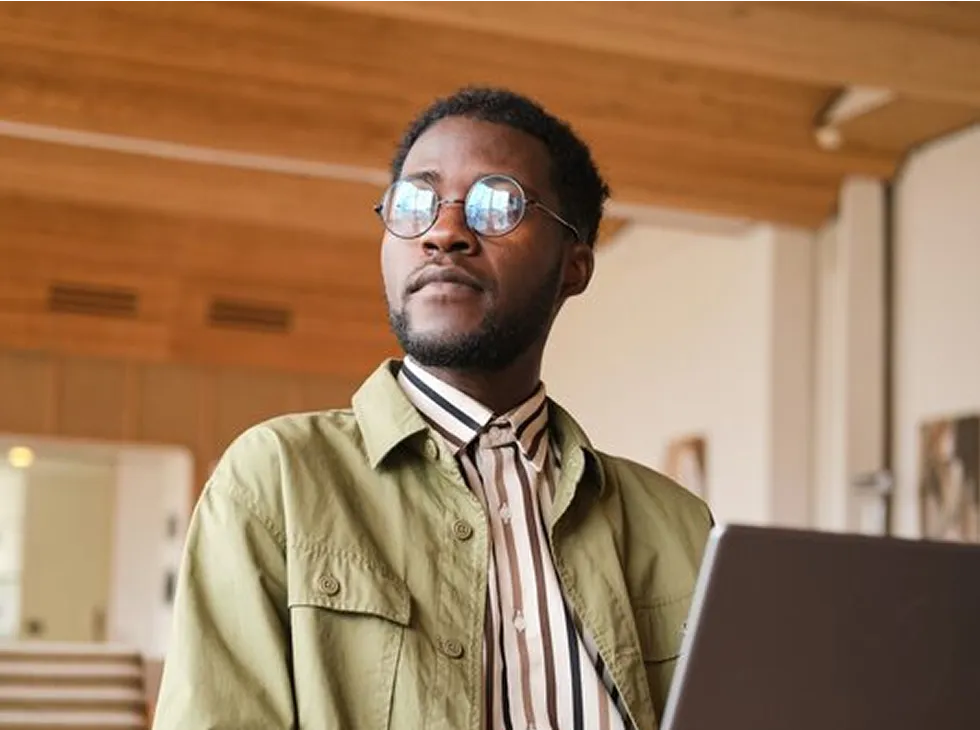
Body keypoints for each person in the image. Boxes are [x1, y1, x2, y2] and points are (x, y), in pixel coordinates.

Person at [153, 86, 713, 730]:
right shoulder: (276, 478)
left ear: (574, 266)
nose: (444, 232)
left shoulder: (679, 525)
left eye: (498, 206)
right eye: (415, 203)